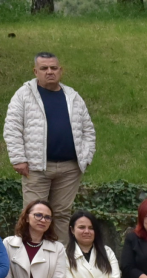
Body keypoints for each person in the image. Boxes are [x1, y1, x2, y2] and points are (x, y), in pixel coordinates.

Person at [4, 53, 96, 244]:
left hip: (70, 168)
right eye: (44, 68)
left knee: (62, 215)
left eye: (54, 68)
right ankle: (28, 262)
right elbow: (12, 128)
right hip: (37, 167)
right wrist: (18, 158)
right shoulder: (24, 95)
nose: (50, 72)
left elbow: (88, 130)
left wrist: (85, 157)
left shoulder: (73, 96)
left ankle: (58, 263)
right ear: (35, 71)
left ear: (60, 70)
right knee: (34, 215)